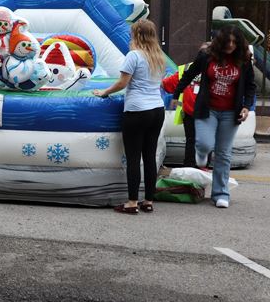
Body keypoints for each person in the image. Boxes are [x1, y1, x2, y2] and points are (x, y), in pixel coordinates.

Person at [171, 26, 255, 209]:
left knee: (224, 154)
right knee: (204, 144)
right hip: (207, 110)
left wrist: (247, 107)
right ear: (221, 41)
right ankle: (201, 153)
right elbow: (188, 74)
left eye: (234, 42)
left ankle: (221, 193)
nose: (231, 45)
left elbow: (250, 86)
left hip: (230, 113)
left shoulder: (244, 61)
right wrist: (176, 94)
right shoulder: (206, 56)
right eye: (227, 41)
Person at [93, 20, 165, 215]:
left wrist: (104, 93)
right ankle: (149, 200)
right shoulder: (159, 57)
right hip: (157, 110)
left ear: (136, 35)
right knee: (149, 157)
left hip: (137, 110)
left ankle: (132, 202)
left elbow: (122, 83)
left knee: (133, 158)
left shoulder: (134, 56)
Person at [162, 62, 201, 167]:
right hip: (207, 112)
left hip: (190, 111)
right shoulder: (217, 67)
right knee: (204, 141)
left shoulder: (186, 68)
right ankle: (202, 166)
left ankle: (190, 166)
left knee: (191, 140)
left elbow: (166, 84)